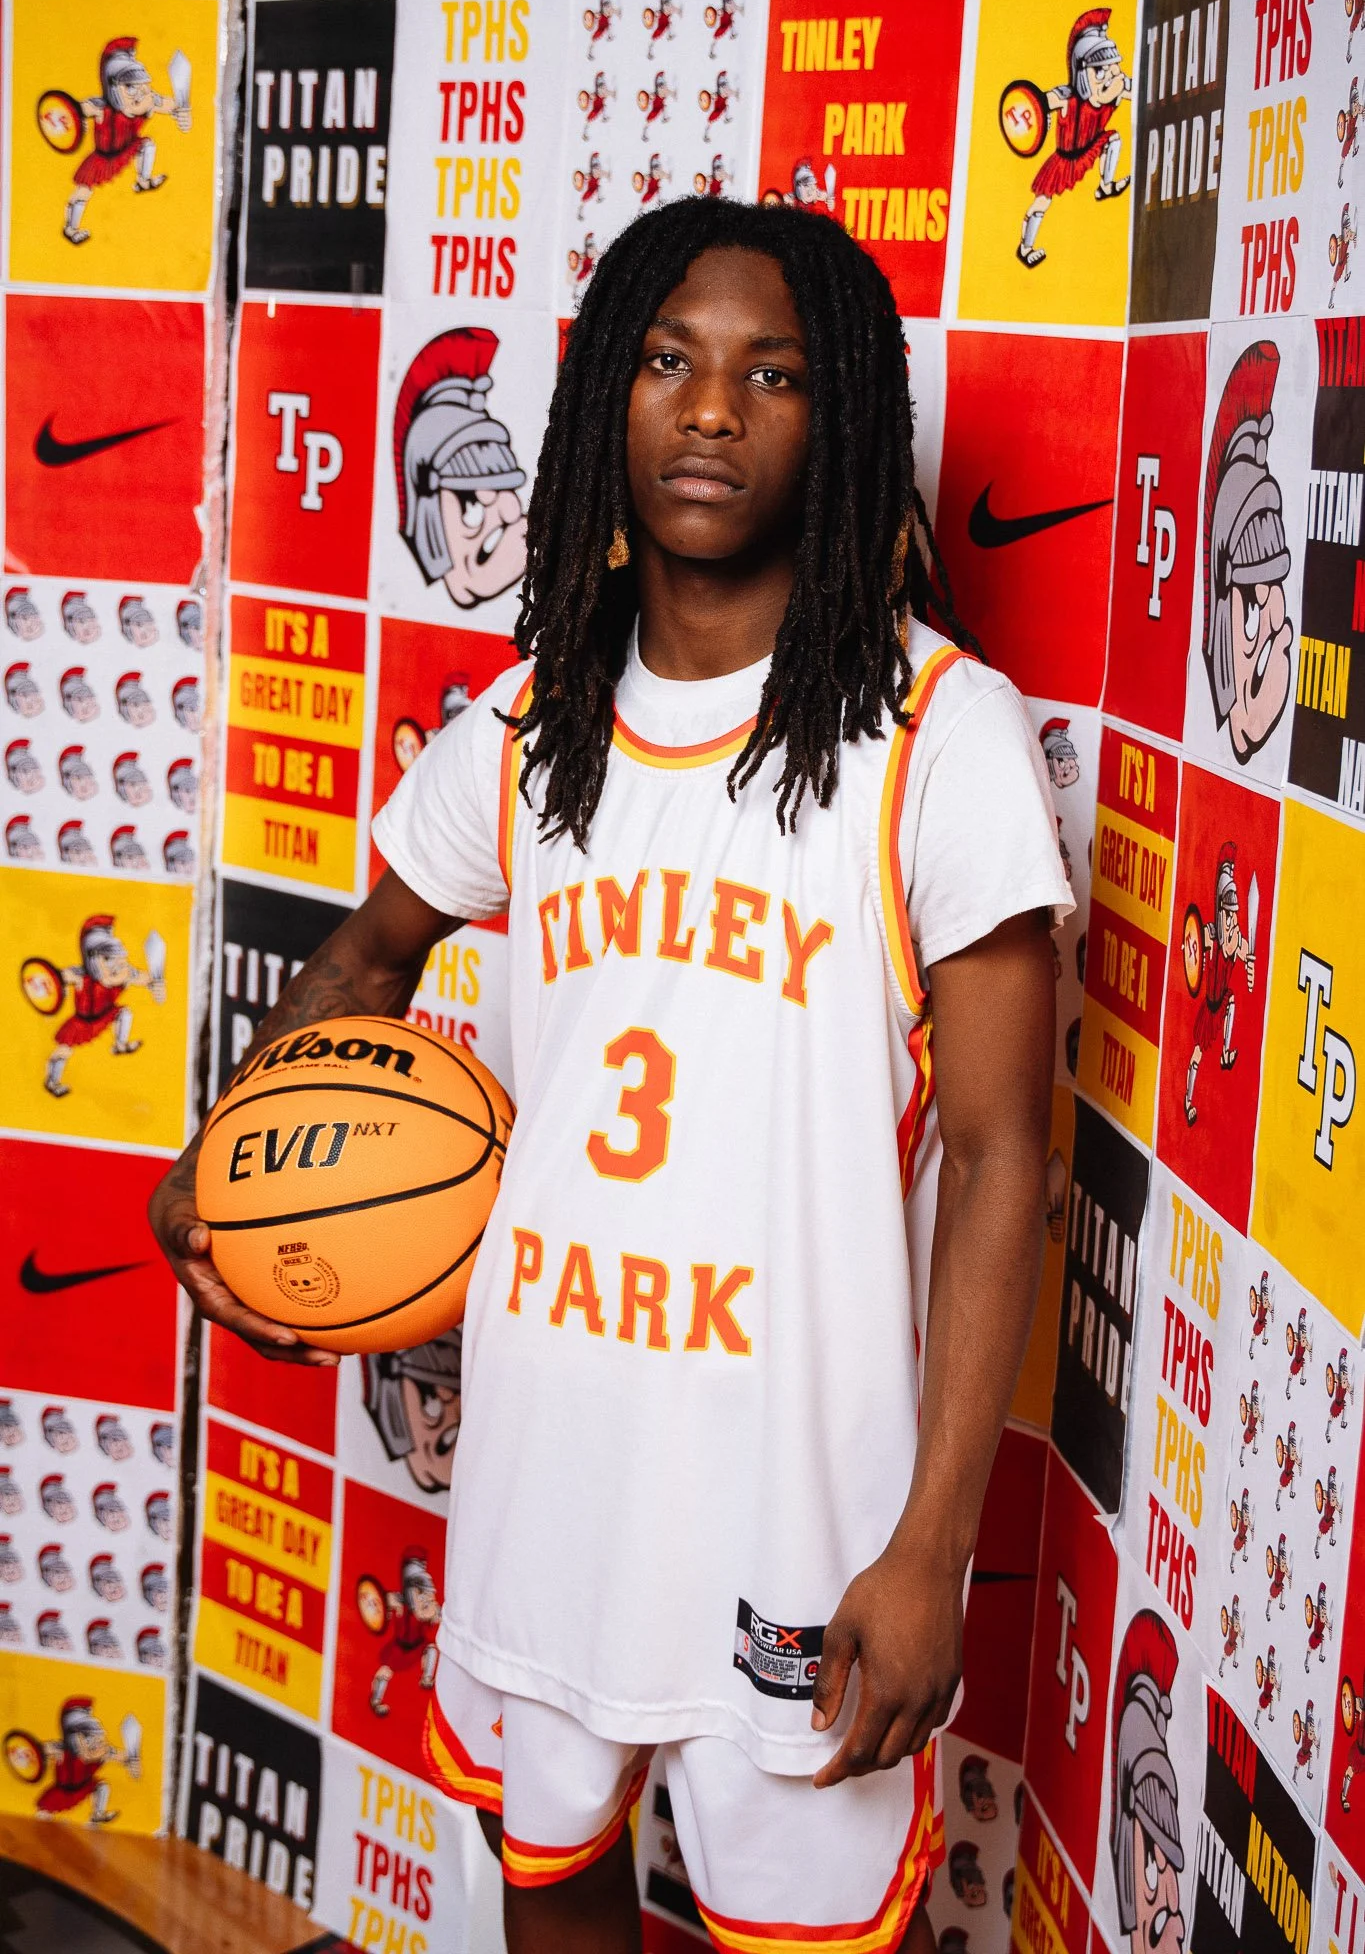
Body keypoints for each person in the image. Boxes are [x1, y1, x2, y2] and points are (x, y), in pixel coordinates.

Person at [151, 198, 1068, 1954]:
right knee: (551, 1900)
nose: (711, 409)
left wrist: (930, 1547)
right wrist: (234, 1174)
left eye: (771, 374)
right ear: (605, 404)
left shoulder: (936, 737)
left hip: (804, 1506)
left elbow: (1004, 1154)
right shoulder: (531, 725)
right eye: (668, 360)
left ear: (844, 417)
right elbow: (360, 961)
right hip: (548, 1468)